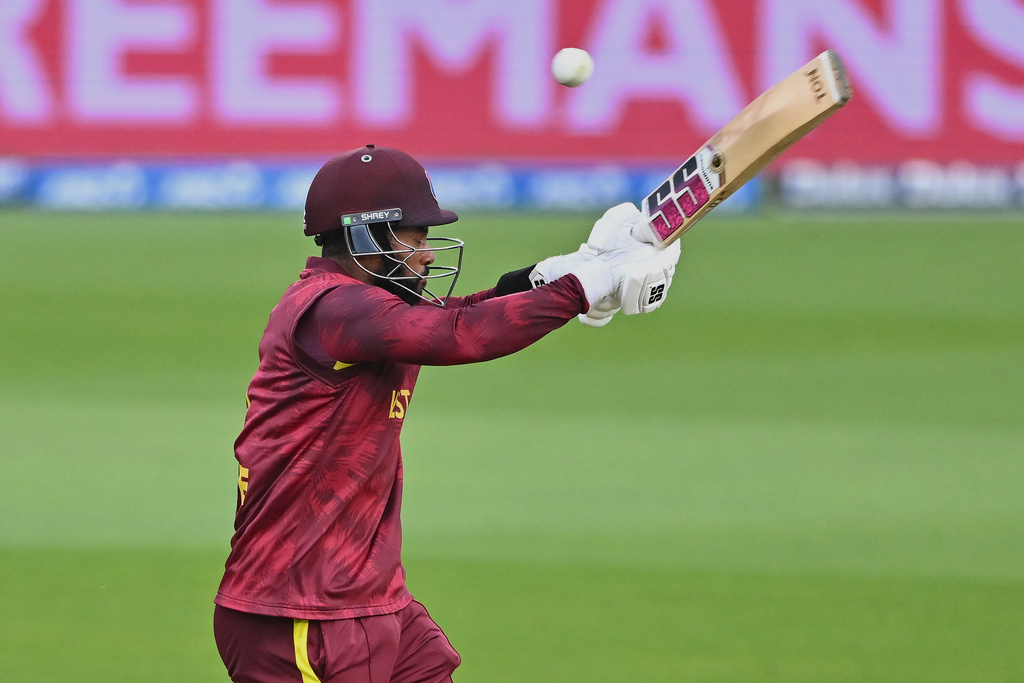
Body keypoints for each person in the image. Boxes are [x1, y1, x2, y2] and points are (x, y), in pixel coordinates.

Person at [213, 144, 680, 683]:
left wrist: (560, 272)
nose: (429, 254)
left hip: (369, 597)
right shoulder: (334, 308)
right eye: (417, 238)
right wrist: (584, 288)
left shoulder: (370, 311)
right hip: (299, 611)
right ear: (368, 236)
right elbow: (462, 334)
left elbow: (461, 313)